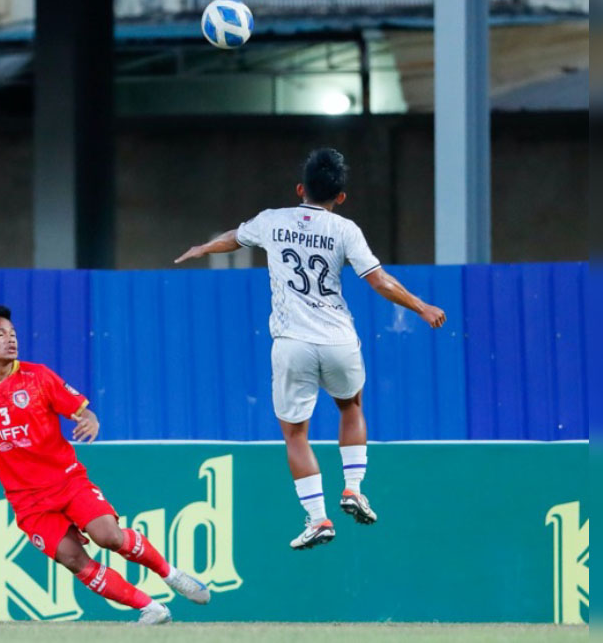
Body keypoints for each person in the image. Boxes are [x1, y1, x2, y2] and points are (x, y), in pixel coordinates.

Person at [175, 148, 446, 550]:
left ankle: (318, 518)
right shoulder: (346, 230)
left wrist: (203, 248)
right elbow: (379, 280)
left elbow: (236, 237)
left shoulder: (272, 221)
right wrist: (422, 305)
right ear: (340, 197)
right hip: (338, 339)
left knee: (295, 434)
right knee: (350, 407)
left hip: (292, 343)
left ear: (299, 188)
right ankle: (353, 488)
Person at [0, 304, 209, 624]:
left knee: (108, 535)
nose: (11, 339)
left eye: (13, 333)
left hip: (67, 481)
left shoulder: (38, 376)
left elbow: (82, 411)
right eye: (1, 334)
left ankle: (170, 574)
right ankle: (151, 608)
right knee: (72, 558)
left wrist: (90, 420)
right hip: (28, 501)